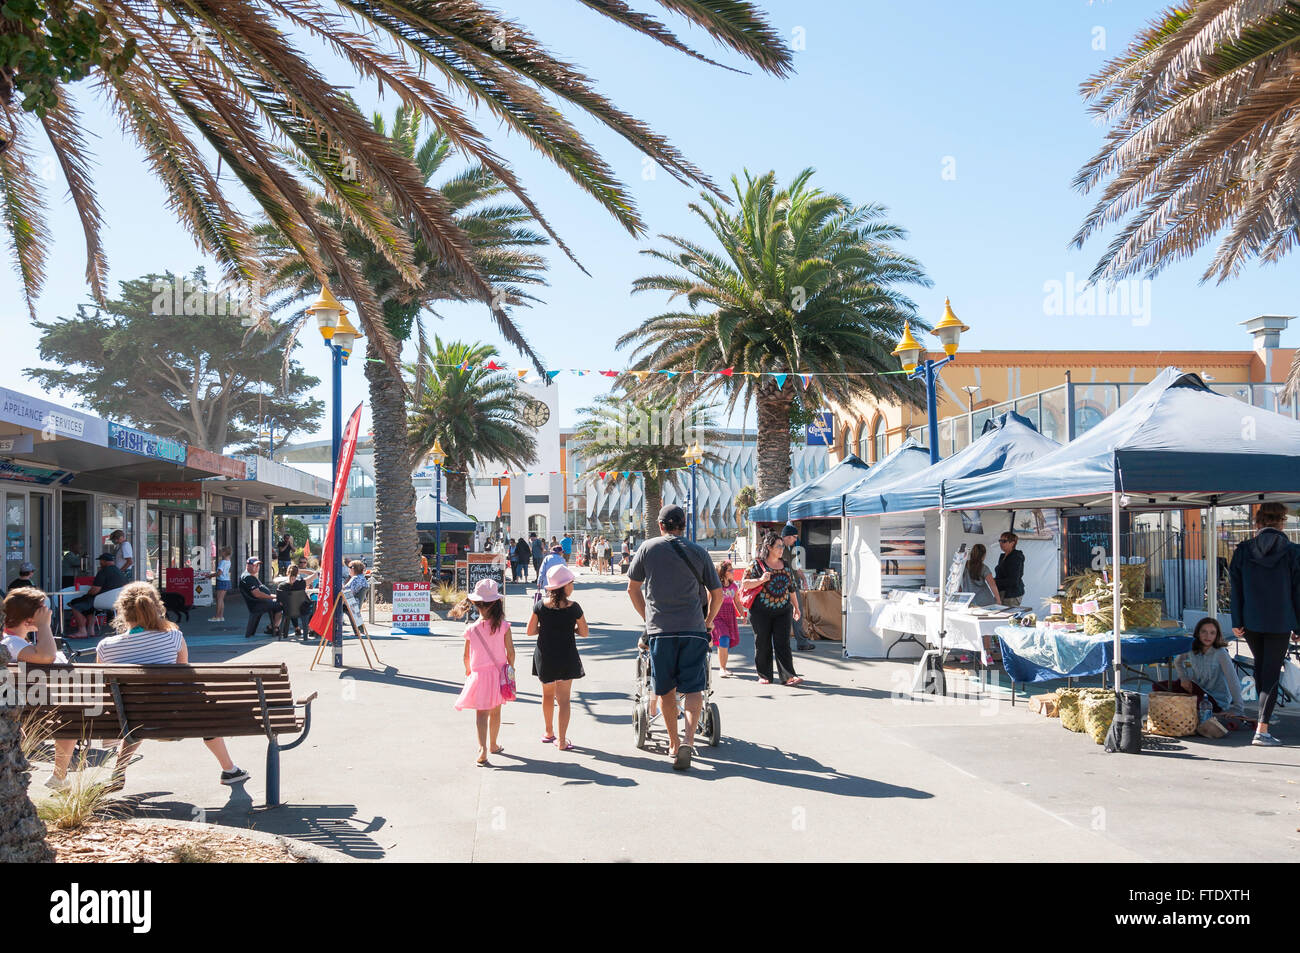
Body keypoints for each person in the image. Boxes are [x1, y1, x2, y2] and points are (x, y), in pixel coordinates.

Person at [96, 582, 250, 790]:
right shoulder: (173, 637)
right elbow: (185, 678)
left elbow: (103, 687)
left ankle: (119, 771)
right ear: (156, 607)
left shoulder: (105, 647)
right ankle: (229, 769)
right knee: (204, 710)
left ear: (122, 612)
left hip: (129, 718)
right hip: (174, 718)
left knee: (136, 709)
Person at [627, 504, 724, 771]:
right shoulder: (699, 551)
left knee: (665, 689)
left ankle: (672, 742)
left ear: (660, 525)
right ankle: (689, 739)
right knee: (694, 688)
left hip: (661, 631)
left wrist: (647, 617)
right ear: (684, 525)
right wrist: (708, 621)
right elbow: (718, 594)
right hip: (693, 629)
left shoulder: (647, 548)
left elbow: (632, 589)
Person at [1228, 501, 1300, 747]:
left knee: (1261, 670)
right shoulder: (1293, 552)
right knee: (1270, 674)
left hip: (1251, 620)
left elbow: (1235, 588)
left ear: (1257, 523)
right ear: (1282, 522)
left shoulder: (1243, 550)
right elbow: (1297, 593)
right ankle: (1262, 729)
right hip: (1281, 621)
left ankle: (1262, 721)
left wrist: (1236, 620)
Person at [2, 589, 76, 790]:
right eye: (44, 611)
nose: (48, 614)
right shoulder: (11, 643)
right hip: (34, 711)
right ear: (29, 619)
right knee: (73, 717)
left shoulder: (12, 642)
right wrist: (44, 626)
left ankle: (59, 777)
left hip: (26, 710)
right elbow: (46, 656)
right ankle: (59, 776)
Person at [453, 578, 515, 766]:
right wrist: (510, 669)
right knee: (495, 711)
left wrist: (468, 672)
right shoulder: (504, 626)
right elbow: (511, 652)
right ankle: (494, 744)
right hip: (498, 675)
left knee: (481, 713)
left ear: (476, 604)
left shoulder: (471, 629)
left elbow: (466, 657)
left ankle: (482, 748)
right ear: (497, 603)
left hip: (479, 675)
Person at [528, 565, 588, 751]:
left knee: (547, 695)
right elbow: (584, 632)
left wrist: (546, 630)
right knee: (563, 700)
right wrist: (571, 629)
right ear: (564, 586)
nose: (573, 586)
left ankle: (548, 732)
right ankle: (562, 741)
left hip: (545, 655)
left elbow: (530, 631)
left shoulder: (540, 606)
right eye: (571, 583)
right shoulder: (574, 608)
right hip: (566, 655)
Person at [740, 532, 804, 686]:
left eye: (782, 546)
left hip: (783, 610)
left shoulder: (786, 565)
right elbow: (744, 583)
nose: (782, 549)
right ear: (768, 547)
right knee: (762, 643)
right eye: (778, 546)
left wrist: (796, 607)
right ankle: (764, 675)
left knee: (783, 643)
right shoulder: (756, 565)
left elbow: (792, 588)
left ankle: (788, 676)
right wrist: (760, 580)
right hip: (760, 612)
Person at [1164, 617, 1246, 718]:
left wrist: (1238, 708)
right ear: (1198, 633)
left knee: (1187, 702)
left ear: (1217, 635)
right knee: (1162, 687)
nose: (1208, 636)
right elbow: (1178, 661)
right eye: (1204, 632)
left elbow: (1233, 680)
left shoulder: (1221, 653)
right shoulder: (1191, 648)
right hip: (1196, 691)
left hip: (1215, 700)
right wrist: (1184, 678)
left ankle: (1199, 712)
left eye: (1212, 633)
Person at [66, 552, 126, 638]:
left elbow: (95, 590)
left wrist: (87, 594)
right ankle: (91, 630)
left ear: (104, 561)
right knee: (90, 607)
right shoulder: (120, 572)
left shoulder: (103, 571)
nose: (100, 563)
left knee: (75, 604)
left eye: (101, 561)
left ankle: (82, 631)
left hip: (101, 600)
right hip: (116, 601)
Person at [780, 522, 816, 652]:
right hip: (782, 587)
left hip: (793, 586)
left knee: (797, 613)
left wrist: (804, 579)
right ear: (787, 536)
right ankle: (783, 643)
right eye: (794, 537)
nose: (796, 539)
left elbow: (796, 566)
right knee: (784, 615)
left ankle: (801, 642)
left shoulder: (792, 549)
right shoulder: (778, 548)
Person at [238, 556, 281, 638]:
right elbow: (257, 594)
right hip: (257, 604)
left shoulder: (250, 576)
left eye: (258, 565)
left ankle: (273, 627)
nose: (257, 567)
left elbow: (262, 593)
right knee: (282, 604)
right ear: (248, 565)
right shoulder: (248, 577)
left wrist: (275, 596)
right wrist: (273, 598)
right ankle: (274, 628)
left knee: (280, 601)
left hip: (260, 602)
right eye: (255, 565)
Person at [712, 560, 742, 677]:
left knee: (726, 641)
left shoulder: (734, 586)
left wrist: (742, 615)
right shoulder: (716, 586)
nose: (733, 572)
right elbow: (710, 601)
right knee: (723, 639)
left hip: (729, 616)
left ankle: (724, 667)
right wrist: (708, 619)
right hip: (717, 615)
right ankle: (722, 668)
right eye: (730, 570)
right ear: (723, 573)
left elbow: (737, 601)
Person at [961, 543, 1000, 608]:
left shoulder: (963, 565)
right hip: (984, 601)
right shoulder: (984, 568)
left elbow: (957, 581)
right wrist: (998, 600)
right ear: (983, 555)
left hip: (968, 600)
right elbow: (992, 584)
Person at [994, 531, 1024, 607]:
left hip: (1011, 594)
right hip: (1002, 593)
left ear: (1012, 543)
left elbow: (1013, 580)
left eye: (1004, 541)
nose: (1001, 543)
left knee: (1009, 616)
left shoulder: (1016, 557)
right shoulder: (1002, 556)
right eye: (1000, 541)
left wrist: (995, 581)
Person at [211, 546, 232, 623]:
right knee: (221, 599)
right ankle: (221, 616)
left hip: (221, 581)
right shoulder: (229, 561)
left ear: (224, 553)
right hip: (227, 581)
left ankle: (217, 616)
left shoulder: (222, 562)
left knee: (219, 599)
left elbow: (219, 573)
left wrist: (210, 576)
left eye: (221, 552)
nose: (220, 553)